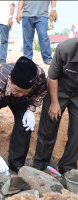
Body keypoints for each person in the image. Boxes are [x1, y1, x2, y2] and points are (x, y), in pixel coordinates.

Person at [0, 56, 47, 183]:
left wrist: (31, 109)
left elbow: (41, 92)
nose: (20, 94)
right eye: (18, 90)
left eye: (25, 91)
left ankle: (16, 163)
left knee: (24, 124)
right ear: (10, 79)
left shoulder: (38, 75)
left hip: (21, 102)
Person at [33, 38, 78, 174]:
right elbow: (52, 77)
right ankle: (40, 165)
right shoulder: (65, 48)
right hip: (58, 89)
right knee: (49, 126)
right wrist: (54, 102)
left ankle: (68, 168)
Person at [16, 0, 58, 65]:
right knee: (27, 39)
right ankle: (27, 59)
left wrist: (53, 10)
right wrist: (18, 12)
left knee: (43, 36)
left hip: (42, 15)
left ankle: (47, 58)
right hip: (27, 15)